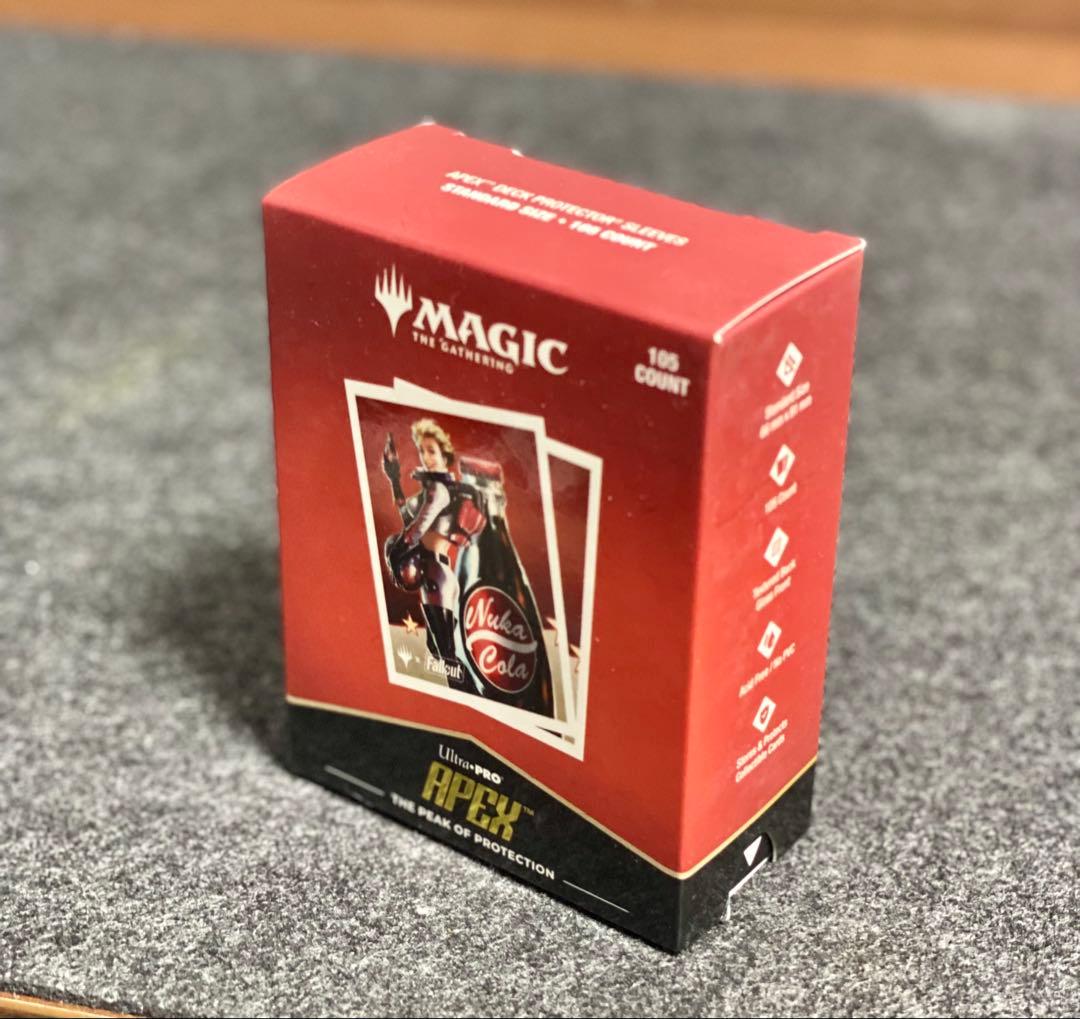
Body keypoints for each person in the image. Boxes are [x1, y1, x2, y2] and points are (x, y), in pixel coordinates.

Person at [382, 418, 475, 690]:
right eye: (422, 451)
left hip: (437, 575)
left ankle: (469, 699)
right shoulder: (432, 489)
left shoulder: (438, 490)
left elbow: (418, 527)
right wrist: (394, 479)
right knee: (440, 654)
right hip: (433, 575)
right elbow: (408, 517)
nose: (426, 457)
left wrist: (397, 550)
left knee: (447, 658)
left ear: (445, 455)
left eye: (431, 451)